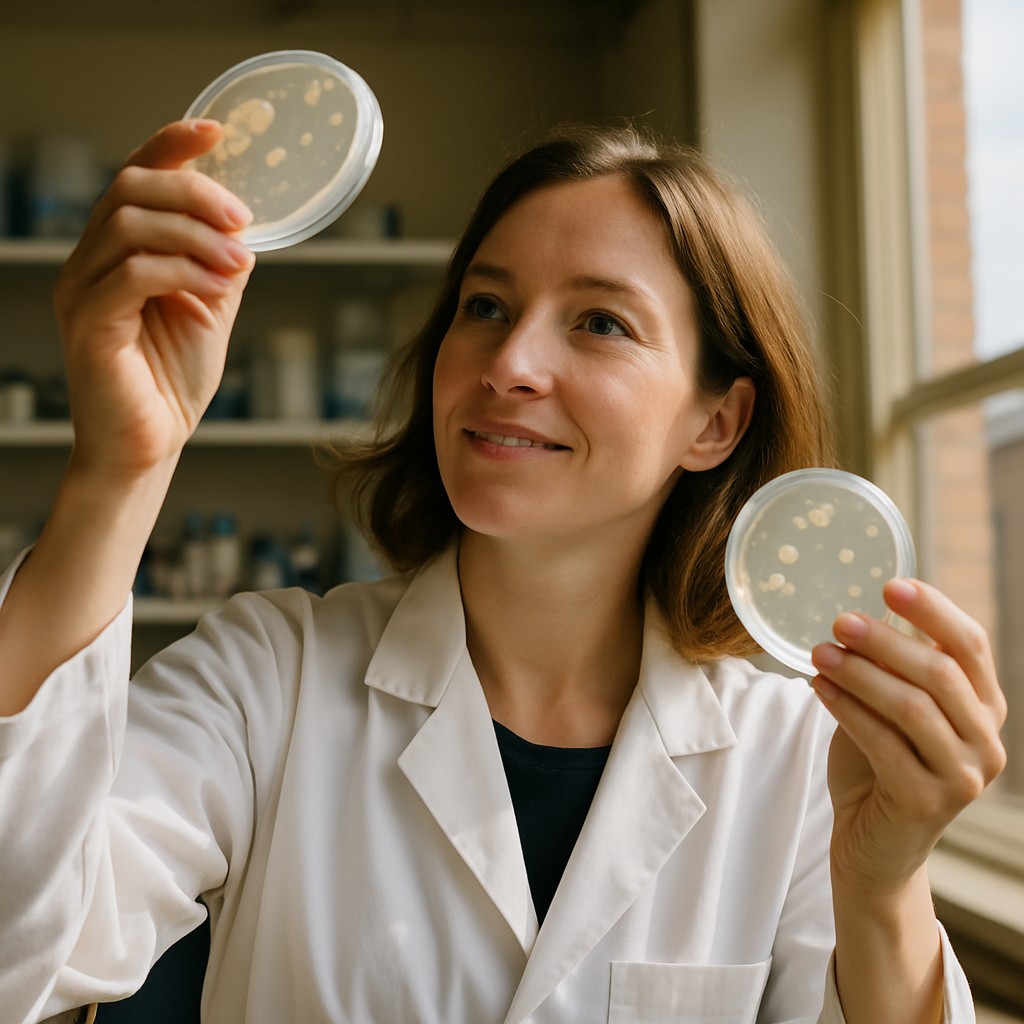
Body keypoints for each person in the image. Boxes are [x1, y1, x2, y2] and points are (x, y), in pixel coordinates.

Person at [0, 117, 1007, 1024]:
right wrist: (118, 471)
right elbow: (18, 958)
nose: (509, 360)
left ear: (715, 422)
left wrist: (883, 887)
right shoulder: (272, 675)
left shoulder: (796, 760)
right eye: (484, 305)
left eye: (599, 321)